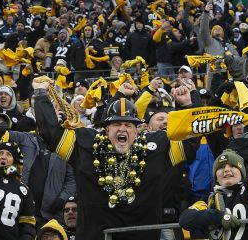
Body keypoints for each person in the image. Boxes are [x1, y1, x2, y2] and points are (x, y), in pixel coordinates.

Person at [32, 77, 198, 240]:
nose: (122, 129)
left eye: (128, 125)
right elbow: (51, 133)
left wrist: (189, 104)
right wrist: (40, 94)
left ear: (137, 130)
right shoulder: (85, 143)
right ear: (106, 129)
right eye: (117, 124)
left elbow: (190, 144)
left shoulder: (156, 146)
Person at [180, 122, 248, 240]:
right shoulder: (209, 200)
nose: (226, 170)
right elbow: (185, 219)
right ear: (216, 177)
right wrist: (220, 217)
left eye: (232, 166)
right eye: (221, 168)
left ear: (241, 172)